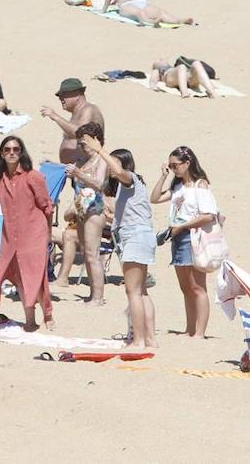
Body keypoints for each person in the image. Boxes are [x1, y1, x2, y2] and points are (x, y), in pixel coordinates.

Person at [86, 135, 157, 349]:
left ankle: (139, 340)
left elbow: (118, 171)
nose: (109, 168)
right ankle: (150, 338)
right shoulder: (127, 187)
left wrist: (100, 151)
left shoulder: (130, 178)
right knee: (141, 291)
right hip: (139, 236)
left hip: (135, 237)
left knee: (133, 291)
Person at [151, 145, 217, 338]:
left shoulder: (200, 185)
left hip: (192, 236)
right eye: (171, 166)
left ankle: (200, 332)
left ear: (187, 163)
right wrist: (163, 177)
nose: (174, 169)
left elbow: (208, 215)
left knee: (197, 287)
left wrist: (183, 226)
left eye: (175, 165)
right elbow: (154, 199)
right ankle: (190, 329)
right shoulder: (178, 187)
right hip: (178, 236)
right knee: (186, 287)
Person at [0, 136, 53, 329]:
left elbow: (46, 206)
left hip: (34, 233)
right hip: (10, 236)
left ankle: (47, 315)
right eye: (7, 149)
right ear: (2, 153)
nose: (12, 153)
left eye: (16, 149)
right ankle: (31, 320)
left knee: (34, 275)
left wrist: (48, 234)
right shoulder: (0, 182)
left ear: (21, 152)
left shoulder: (33, 176)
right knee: (18, 277)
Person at [65, 122, 110, 305]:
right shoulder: (86, 161)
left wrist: (78, 173)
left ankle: (98, 297)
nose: (81, 145)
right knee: (86, 254)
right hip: (82, 211)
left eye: (84, 142)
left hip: (95, 211)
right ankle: (92, 294)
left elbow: (99, 183)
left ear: (96, 140)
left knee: (93, 254)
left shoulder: (102, 159)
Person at [41, 77, 104, 164]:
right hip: (73, 169)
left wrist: (55, 117)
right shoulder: (77, 113)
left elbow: (80, 133)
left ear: (77, 94)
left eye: (64, 95)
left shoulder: (88, 109)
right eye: (60, 96)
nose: (60, 99)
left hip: (86, 169)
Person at [148, 56, 219, 98]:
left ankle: (211, 91)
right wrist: (153, 86)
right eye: (160, 61)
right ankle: (184, 92)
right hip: (170, 79)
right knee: (182, 67)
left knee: (196, 63)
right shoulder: (160, 70)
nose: (162, 60)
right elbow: (153, 79)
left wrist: (211, 84)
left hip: (185, 79)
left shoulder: (174, 69)